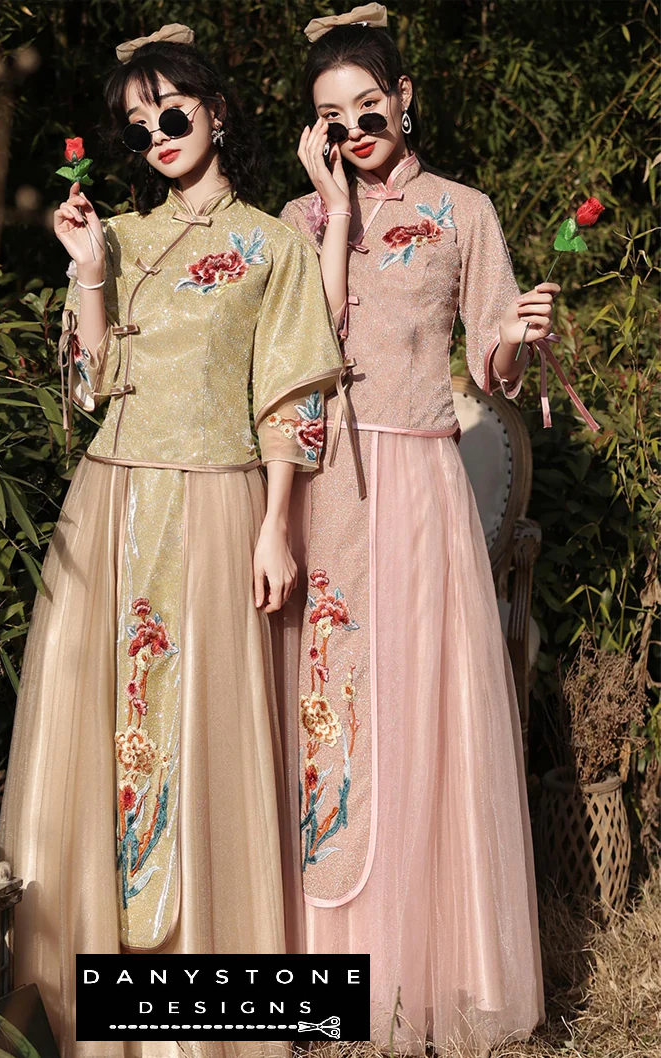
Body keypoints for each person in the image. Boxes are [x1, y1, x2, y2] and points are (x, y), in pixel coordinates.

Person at [0, 23, 342, 1058]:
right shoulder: (125, 237)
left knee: (205, 738)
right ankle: (83, 990)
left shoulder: (272, 245)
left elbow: (291, 397)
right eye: (137, 122)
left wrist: (277, 525)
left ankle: (203, 1005)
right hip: (110, 503)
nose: (157, 132)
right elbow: (89, 387)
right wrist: (88, 269)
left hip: (217, 502)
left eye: (175, 112)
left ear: (218, 113)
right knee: (93, 727)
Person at [277, 3, 592, 1053]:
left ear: (405, 97)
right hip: (323, 485)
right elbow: (294, 362)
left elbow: (489, 365)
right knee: (333, 710)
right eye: (331, 115)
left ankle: (427, 970)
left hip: (416, 479)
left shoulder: (464, 210)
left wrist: (515, 339)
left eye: (368, 105)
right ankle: (324, 968)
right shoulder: (296, 219)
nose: (354, 127)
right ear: (310, 129)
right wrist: (324, 207)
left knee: (418, 708)